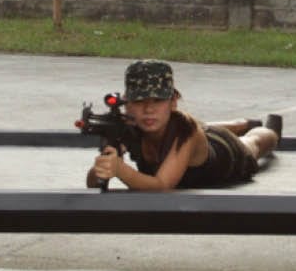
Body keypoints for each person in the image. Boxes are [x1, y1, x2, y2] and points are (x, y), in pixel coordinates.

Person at [86, 59, 282, 191]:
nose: (148, 109)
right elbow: (92, 184)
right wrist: (101, 168)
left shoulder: (185, 131)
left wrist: (121, 170)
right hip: (195, 132)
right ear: (126, 104)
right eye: (139, 101)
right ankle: (241, 123)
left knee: (253, 142)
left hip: (225, 154)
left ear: (173, 101)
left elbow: (162, 185)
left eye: (157, 100)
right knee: (196, 126)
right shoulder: (129, 126)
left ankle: (261, 127)